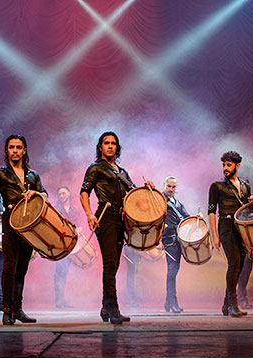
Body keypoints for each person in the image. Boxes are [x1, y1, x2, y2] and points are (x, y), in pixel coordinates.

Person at [80, 131, 154, 324]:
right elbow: (84, 193)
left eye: (113, 143)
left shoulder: (122, 172)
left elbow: (134, 194)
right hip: (105, 218)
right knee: (110, 264)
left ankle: (106, 306)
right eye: (106, 143)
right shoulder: (95, 168)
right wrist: (89, 214)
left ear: (117, 147)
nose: (110, 146)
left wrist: (147, 188)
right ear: (100, 147)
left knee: (114, 265)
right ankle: (113, 309)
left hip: (121, 220)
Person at [0, 135, 47, 325]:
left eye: (19, 147)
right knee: (9, 267)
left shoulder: (33, 175)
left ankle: (18, 309)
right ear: (7, 150)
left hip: (28, 226)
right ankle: (7, 310)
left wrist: (36, 193)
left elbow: (45, 195)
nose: (15, 151)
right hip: (10, 222)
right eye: (11, 147)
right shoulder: (0, 174)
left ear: (24, 150)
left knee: (22, 268)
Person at [208, 151, 253, 318]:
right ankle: (233, 304)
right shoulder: (217, 186)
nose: (225, 168)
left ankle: (226, 304)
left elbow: (245, 208)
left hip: (241, 227)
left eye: (228, 165)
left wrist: (252, 202)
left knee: (241, 264)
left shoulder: (245, 185)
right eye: (224, 165)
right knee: (234, 263)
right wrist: (214, 235)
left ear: (237, 165)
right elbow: (211, 211)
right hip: (226, 226)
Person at [160, 176, 190, 313]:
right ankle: (173, 303)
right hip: (168, 240)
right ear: (164, 185)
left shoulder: (178, 203)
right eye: (169, 186)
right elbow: (155, 221)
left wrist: (198, 218)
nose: (171, 189)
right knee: (172, 271)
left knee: (175, 270)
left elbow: (187, 217)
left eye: (173, 187)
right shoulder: (159, 201)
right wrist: (158, 241)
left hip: (178, 241)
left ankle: (168, 303)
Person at [53, 186, 85, 308]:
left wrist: (78, 230)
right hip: (61, 245)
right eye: (59, 194)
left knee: (65, 273)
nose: (61, 196)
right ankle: (59, 301)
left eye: (63, 193)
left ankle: (63, 300)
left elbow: (80, 225)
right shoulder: (56, 209)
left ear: (69, 194)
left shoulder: (74, 209)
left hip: (73, 244)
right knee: (59, 273)